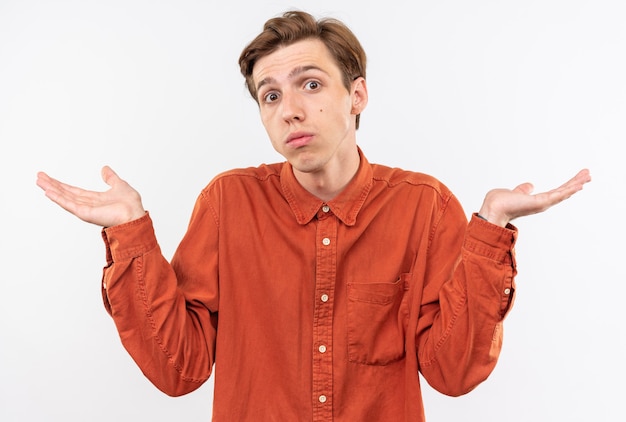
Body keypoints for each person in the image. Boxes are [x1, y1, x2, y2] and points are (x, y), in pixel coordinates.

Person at [36, 10, 591, 422]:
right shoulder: (228, 204)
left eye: (310, 83)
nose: (290, 110)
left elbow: (452, 372)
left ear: (357, 95)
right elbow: (179, 370)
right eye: (269, 95)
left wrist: (489, 230)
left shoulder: (425, 207)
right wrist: (129, 233)